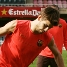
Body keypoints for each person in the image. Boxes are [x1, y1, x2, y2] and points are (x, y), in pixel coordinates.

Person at [0, 7, 64, 67]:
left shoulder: (47, 38)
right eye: (45, 25)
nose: (46, 30)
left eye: (49, 28)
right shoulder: (17, 25)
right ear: (39, 17)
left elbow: (57, 54)